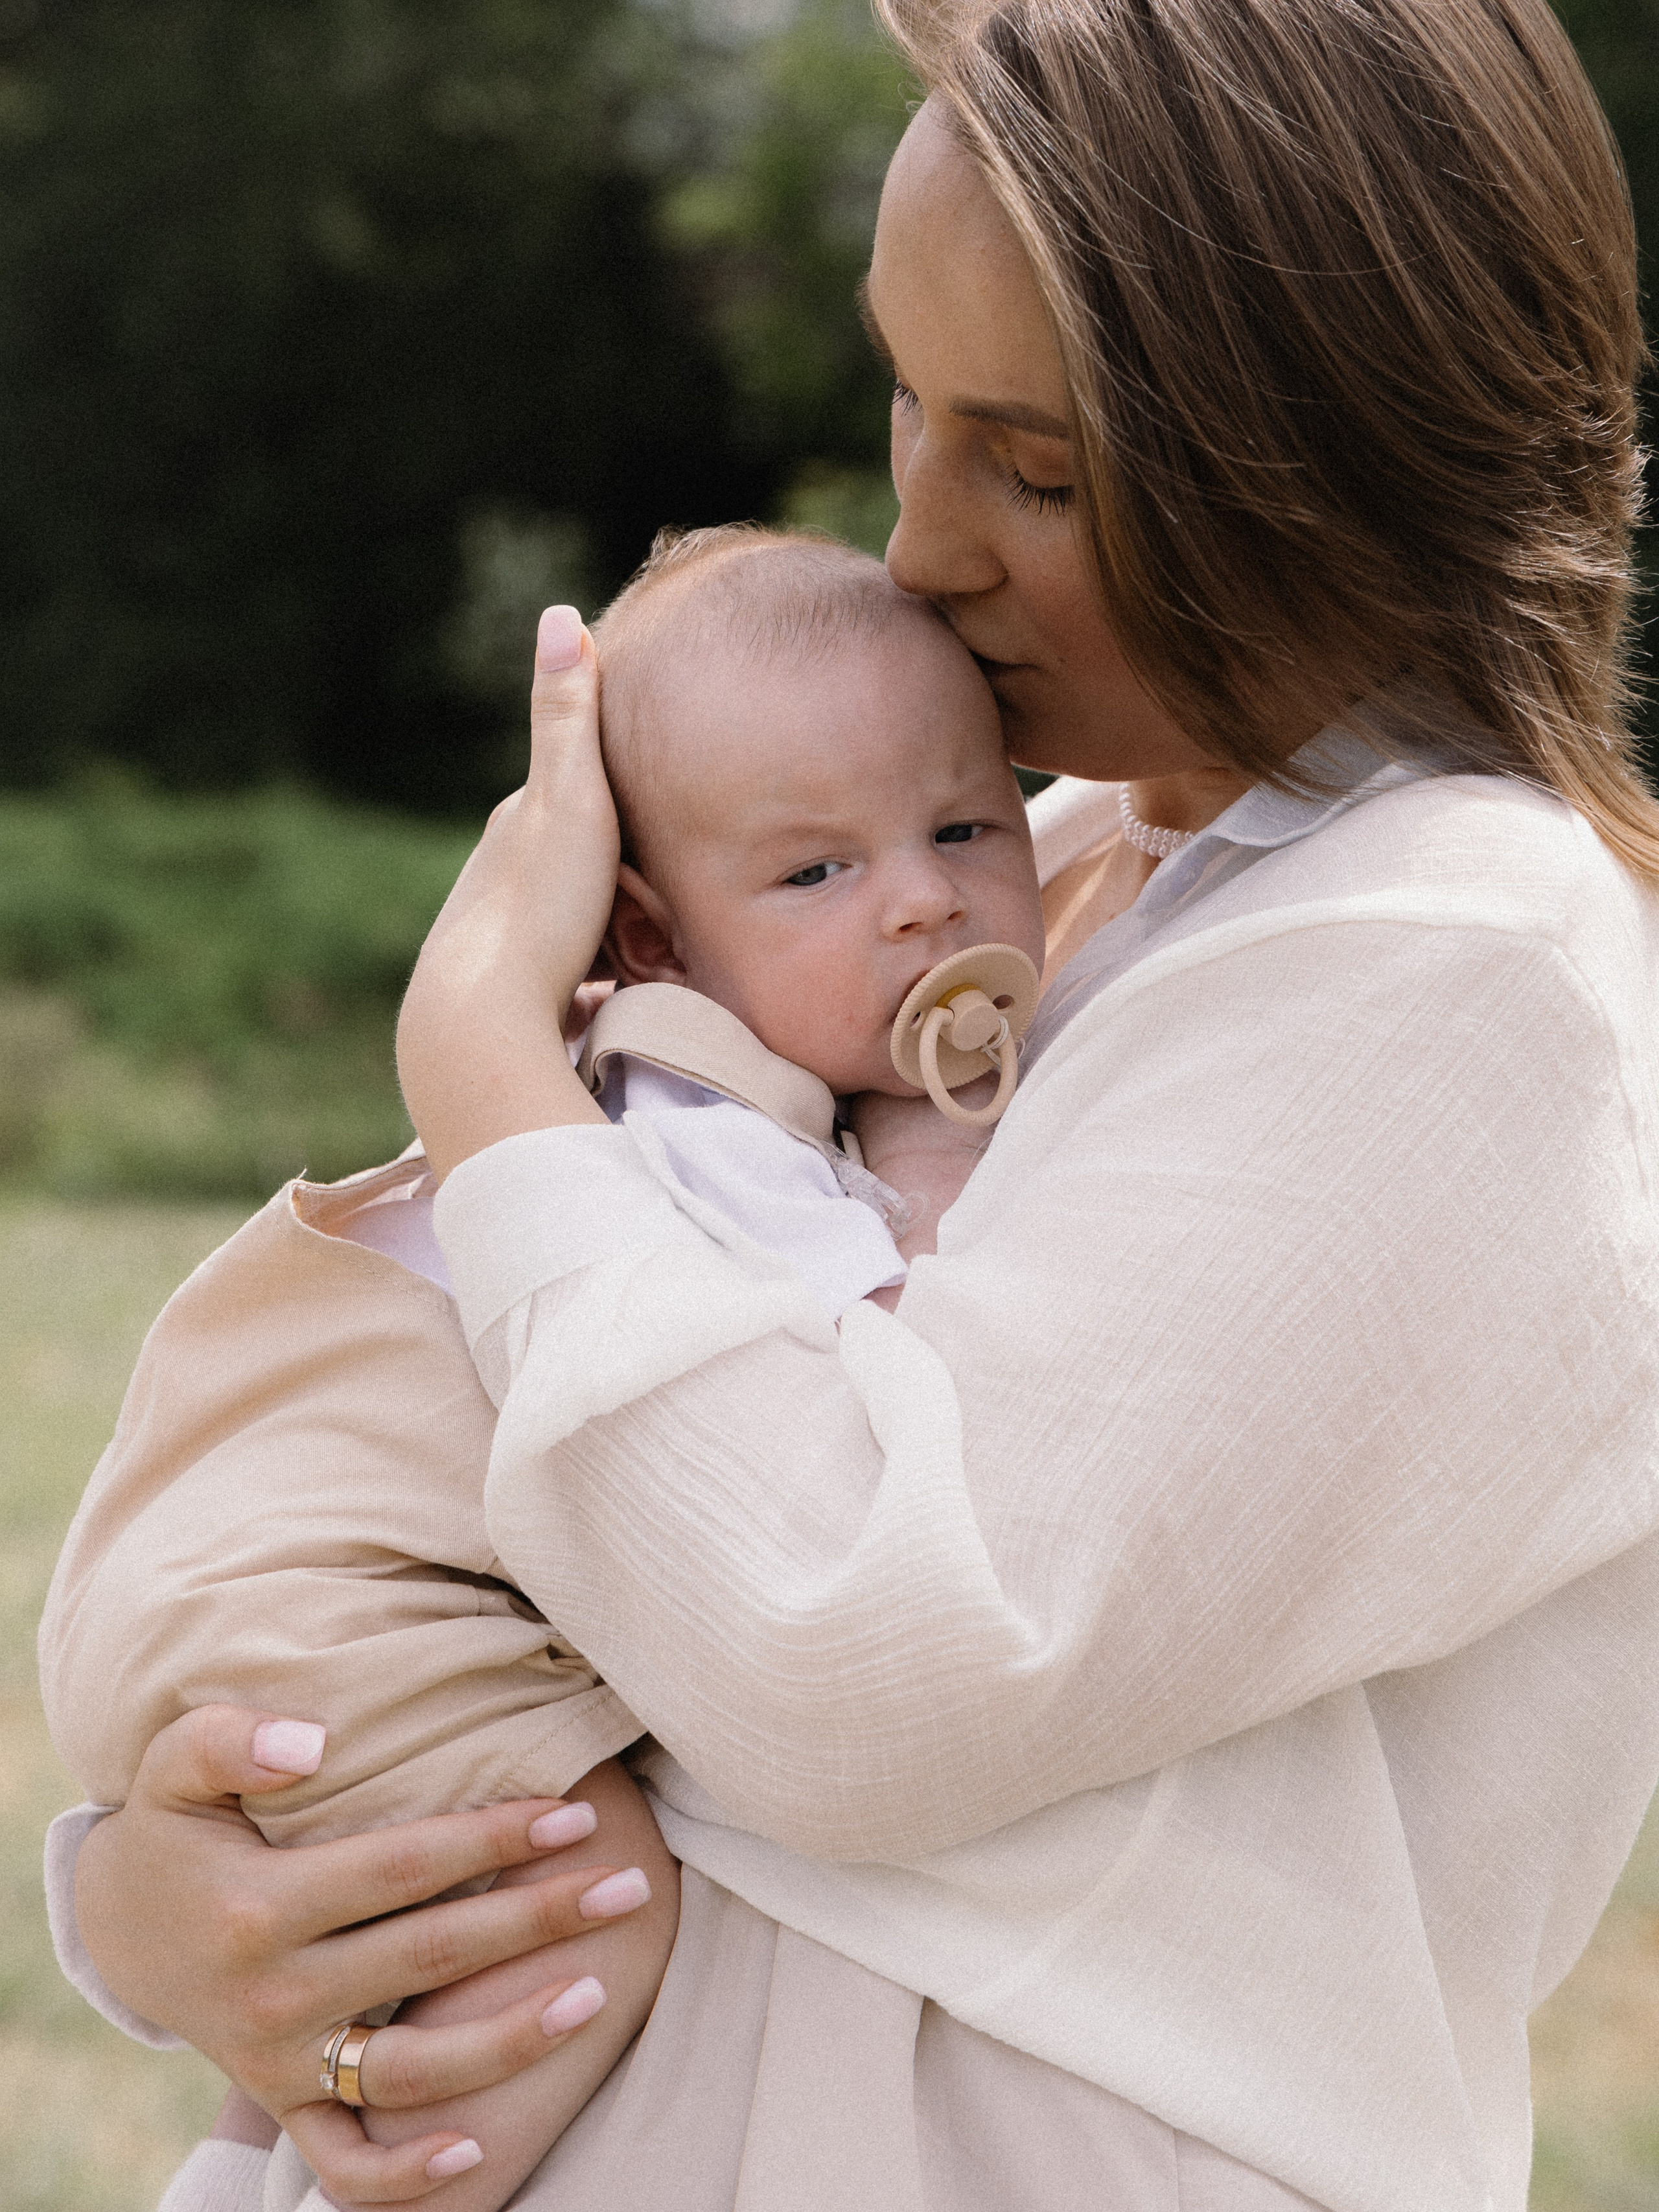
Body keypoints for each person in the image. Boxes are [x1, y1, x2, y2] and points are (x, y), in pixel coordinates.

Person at [42, 0, 1659, 2204]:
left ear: (1343, 453)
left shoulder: (1466, 967)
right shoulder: (1049, 862)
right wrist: (165, 1894)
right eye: (912, 404)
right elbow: (486, 1493)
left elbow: (851, 1654)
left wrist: (489, 1074)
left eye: (1040, 469)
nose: (921, 548)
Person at [40, 523, 1049, 2211]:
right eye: (816, 874)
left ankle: (233, 2181)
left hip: (253, 1603)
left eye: (966, 828)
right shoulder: (705, 1114)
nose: (925, 899)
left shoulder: (667, 1073)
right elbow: (867, 1392)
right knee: (583, 1901)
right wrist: (940, 1185)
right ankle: (421, 2184)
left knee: (380, 1934)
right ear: (648, 939)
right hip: (348, 1607)